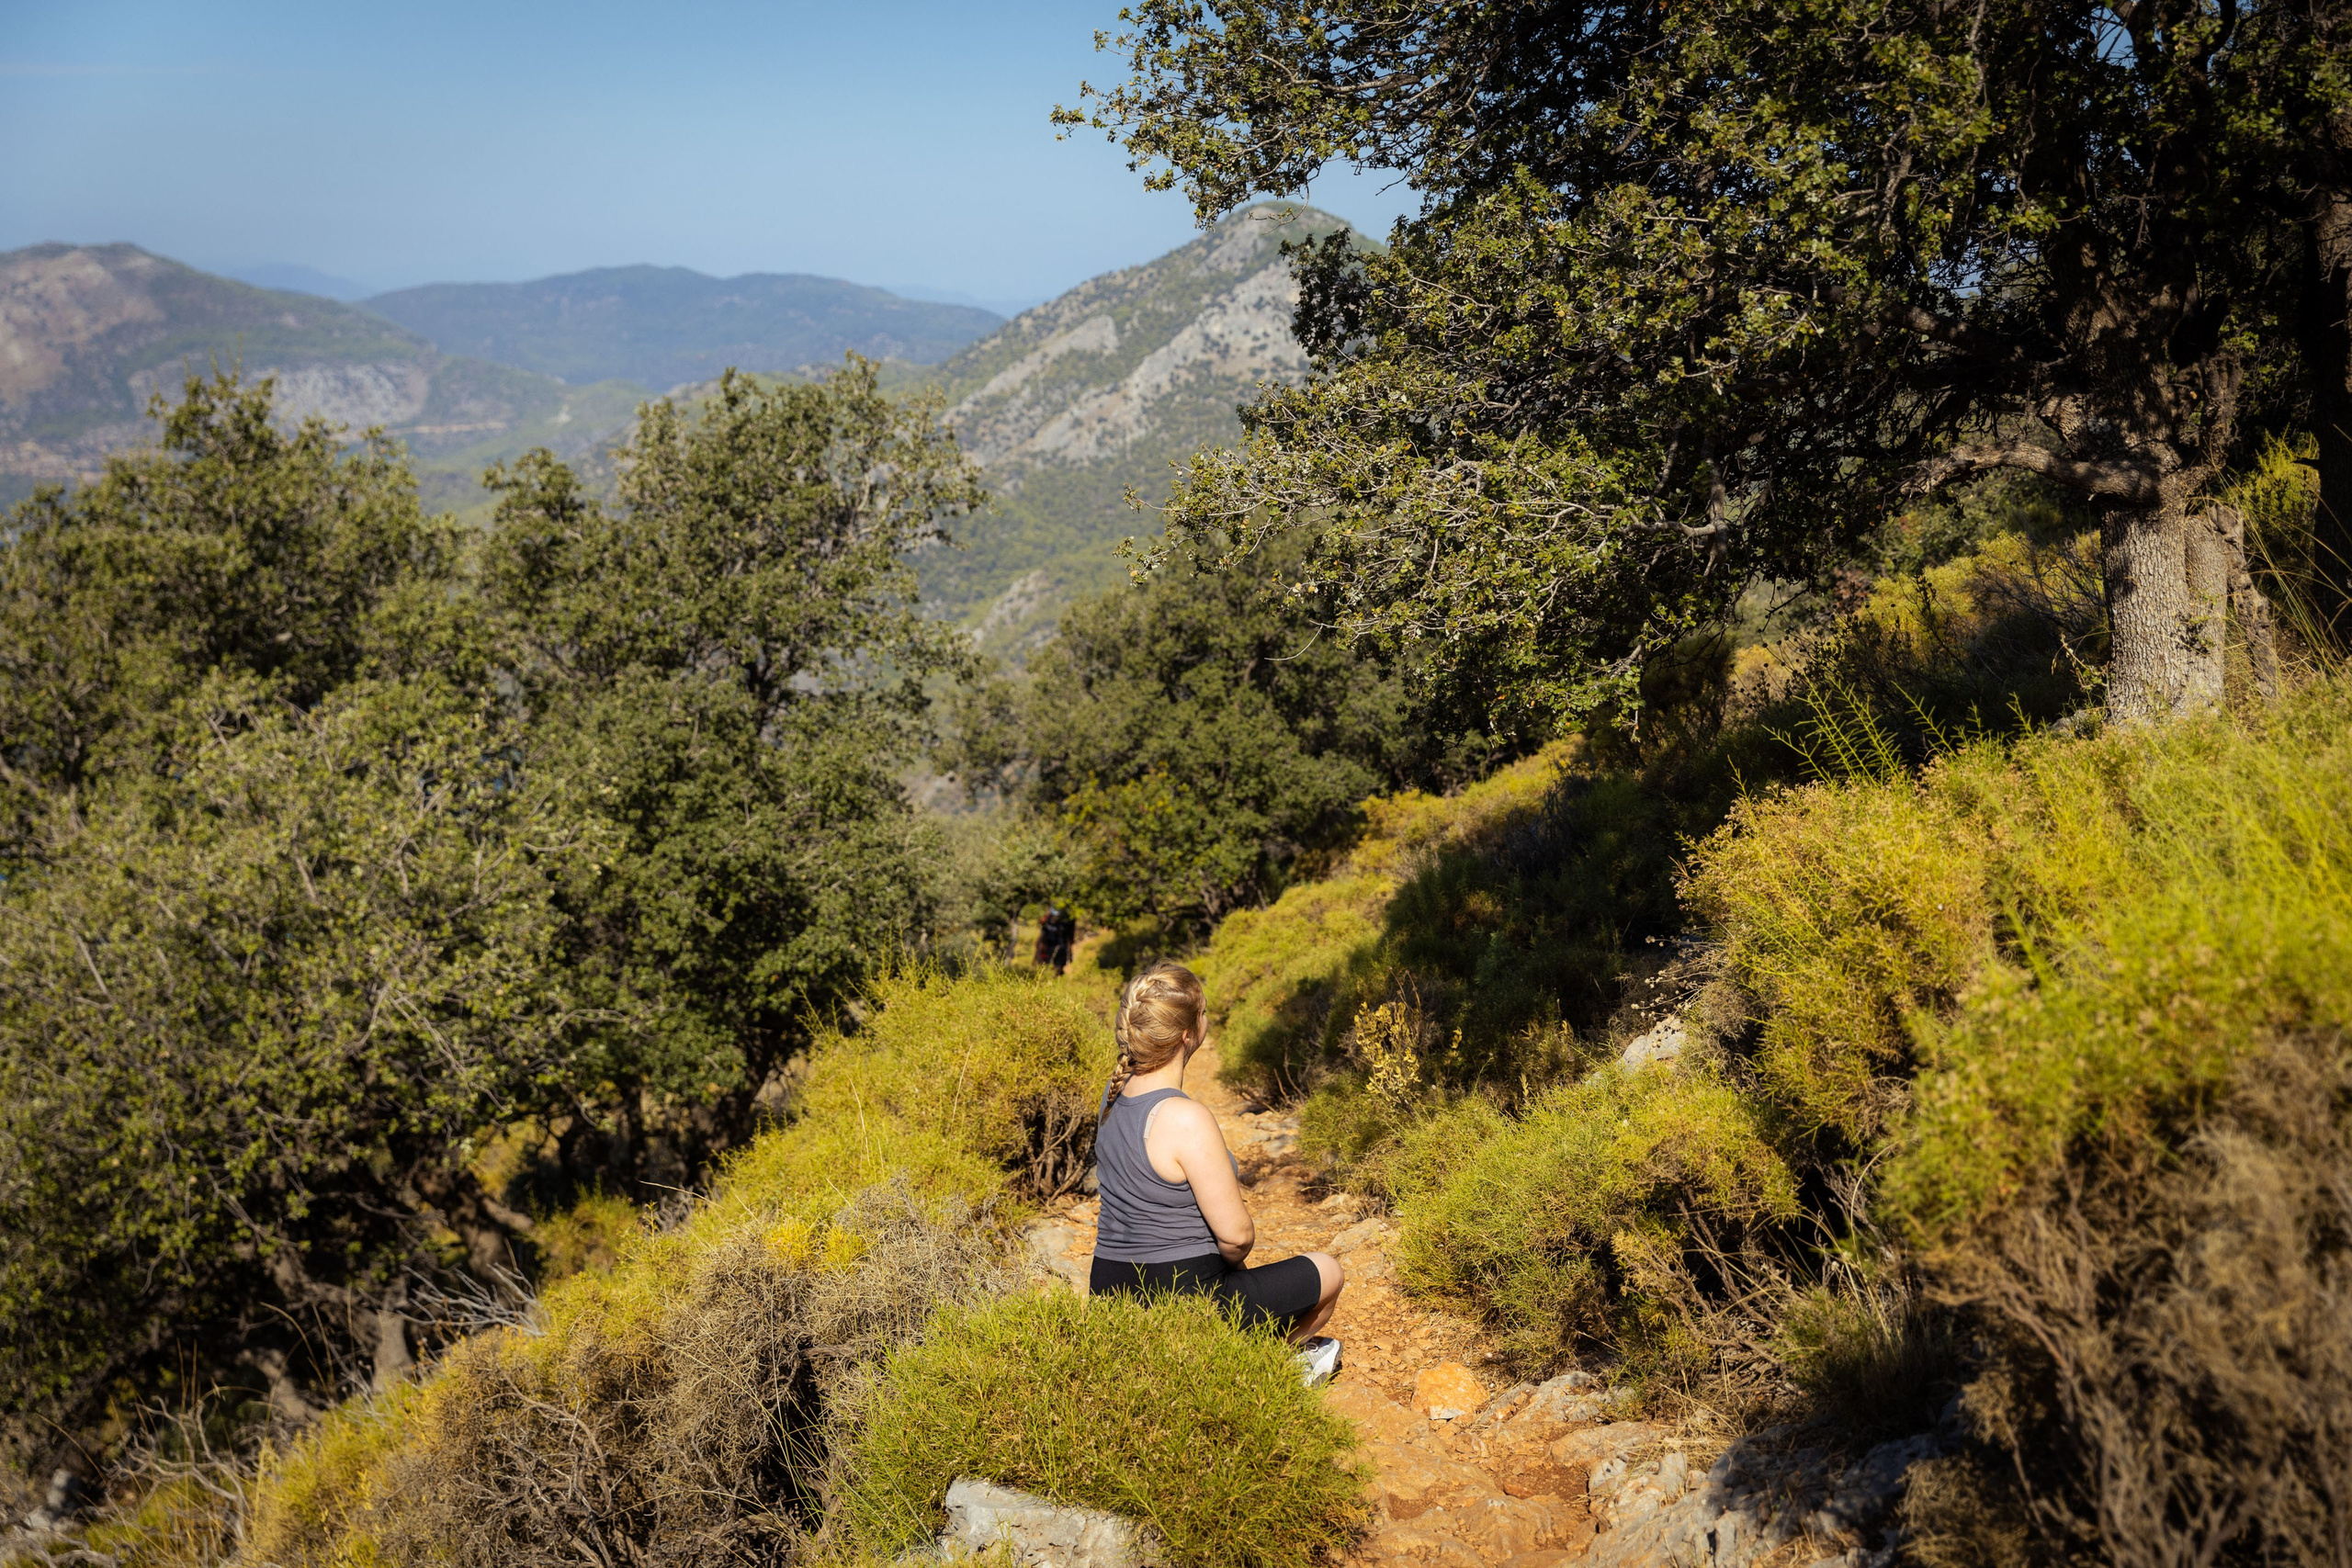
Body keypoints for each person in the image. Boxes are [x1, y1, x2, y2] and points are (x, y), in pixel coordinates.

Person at [1088, 962, 1344, 1380]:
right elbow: (1237, 1236)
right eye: (1204, 1013)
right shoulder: (1185, 1117)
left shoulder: (1113, 1093)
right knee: (1328, 1271)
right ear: (1189, 1034)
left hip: (1111, 1292)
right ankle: (1275, 1370)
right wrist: (1231, 1267)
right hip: (1182, 1298)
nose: (1208, 1020)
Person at [1034, 904, 1076, 976]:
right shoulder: (1046, 920)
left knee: (1058, 965)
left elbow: (1069, 937)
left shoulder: (1066, 922)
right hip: (1048, 946)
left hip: (1060, 947)